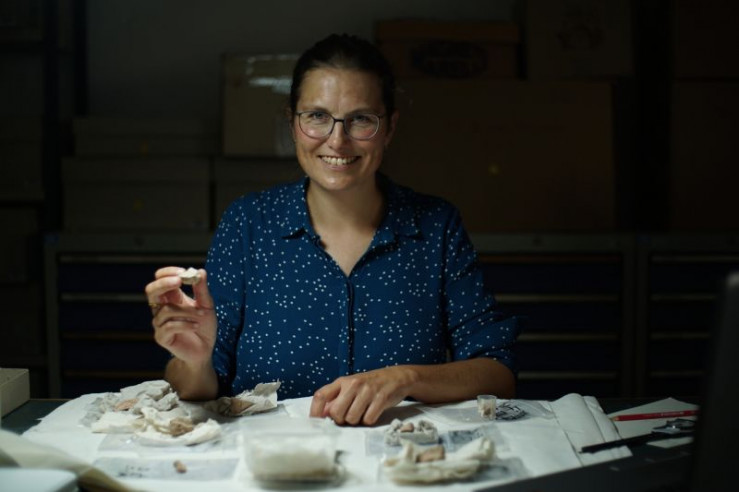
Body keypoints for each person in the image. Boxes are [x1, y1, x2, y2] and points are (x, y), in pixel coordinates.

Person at [145, 33, 517, 426]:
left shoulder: (436, 225)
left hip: (399, 458)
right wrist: (195, 361)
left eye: (361, 119)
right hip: (271, 460)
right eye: (317, 117)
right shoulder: (247, 224)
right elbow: (199, 386)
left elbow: (497, 372)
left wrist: (406, 378)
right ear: (293, 123)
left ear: (389, 128)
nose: (337, 141)